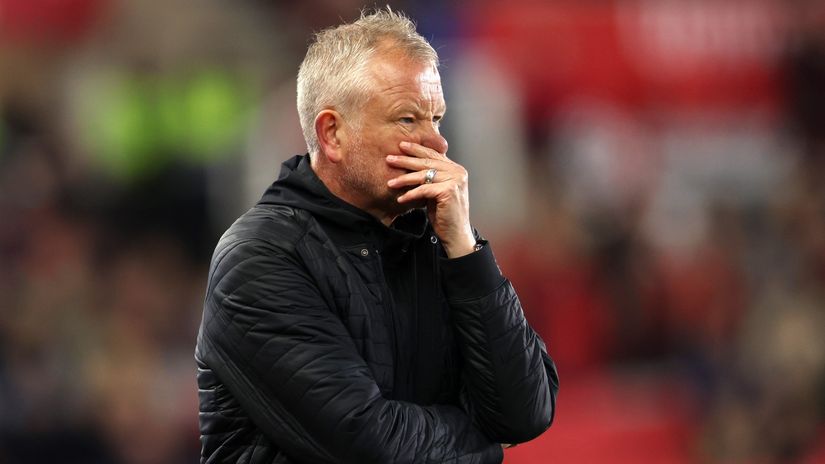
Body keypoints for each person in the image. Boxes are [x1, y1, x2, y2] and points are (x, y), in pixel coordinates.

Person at [195, 8, 558, 464]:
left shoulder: (437, 239)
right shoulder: (260, 257)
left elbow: (527, 412)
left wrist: (467, 253)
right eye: (408, 120)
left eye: (438, 119)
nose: (439, 144)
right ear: (332, 134)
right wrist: (484, 442)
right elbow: (368, 445)